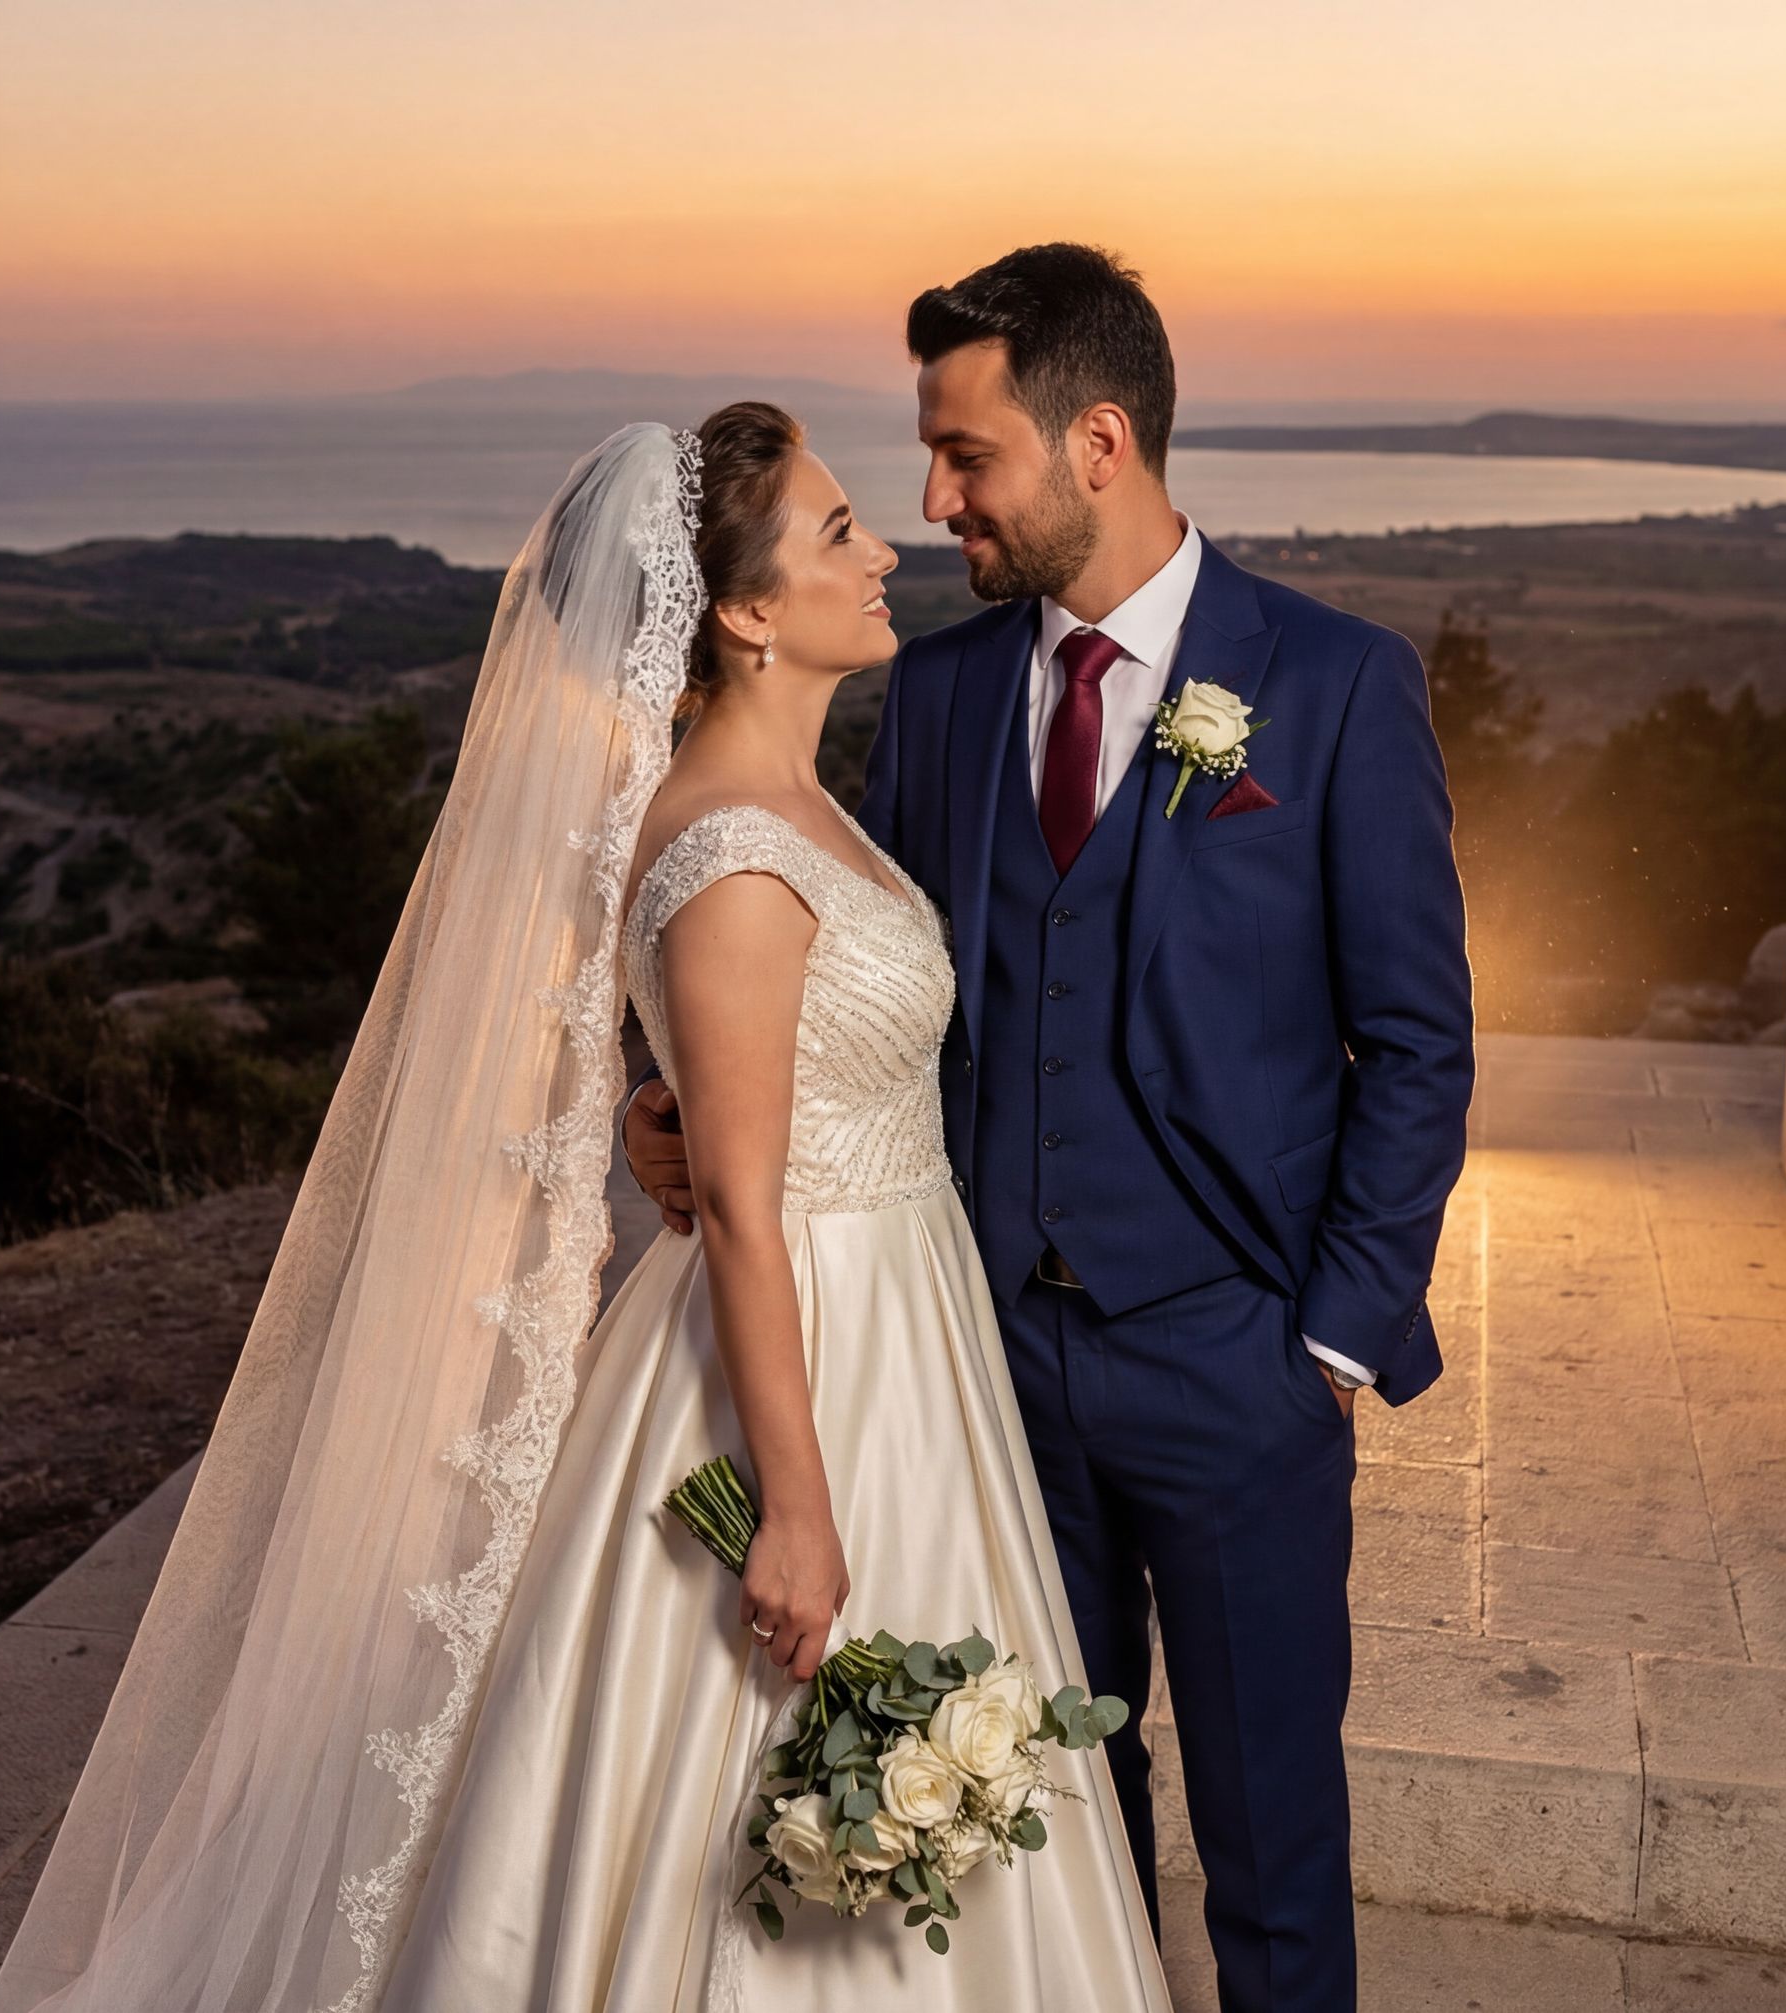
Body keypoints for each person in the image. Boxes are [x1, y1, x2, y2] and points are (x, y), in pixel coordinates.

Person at [0, 403, 1172, 2012]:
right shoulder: (737, 856)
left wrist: (655, 1105)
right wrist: (802, 1510)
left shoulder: (788, 811)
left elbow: (742, 1095)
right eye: (835, 533)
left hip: (905, 1311)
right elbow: (744, 1208)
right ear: (744, 613)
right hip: (807, 1347)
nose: (882, 546)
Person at [627, 245, 1475, 2013]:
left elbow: (1414, 1039)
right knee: (1044, 1823)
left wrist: (1325, 1335)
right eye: (924, 463)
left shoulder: (1327, 688)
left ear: (1099, 442)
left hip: (1238, 1371)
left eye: (968, 457)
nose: (936, 503)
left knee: (1272, 1851)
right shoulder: (937, 698)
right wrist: (677, 1110)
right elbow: (829, 969)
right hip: (987, 1379)